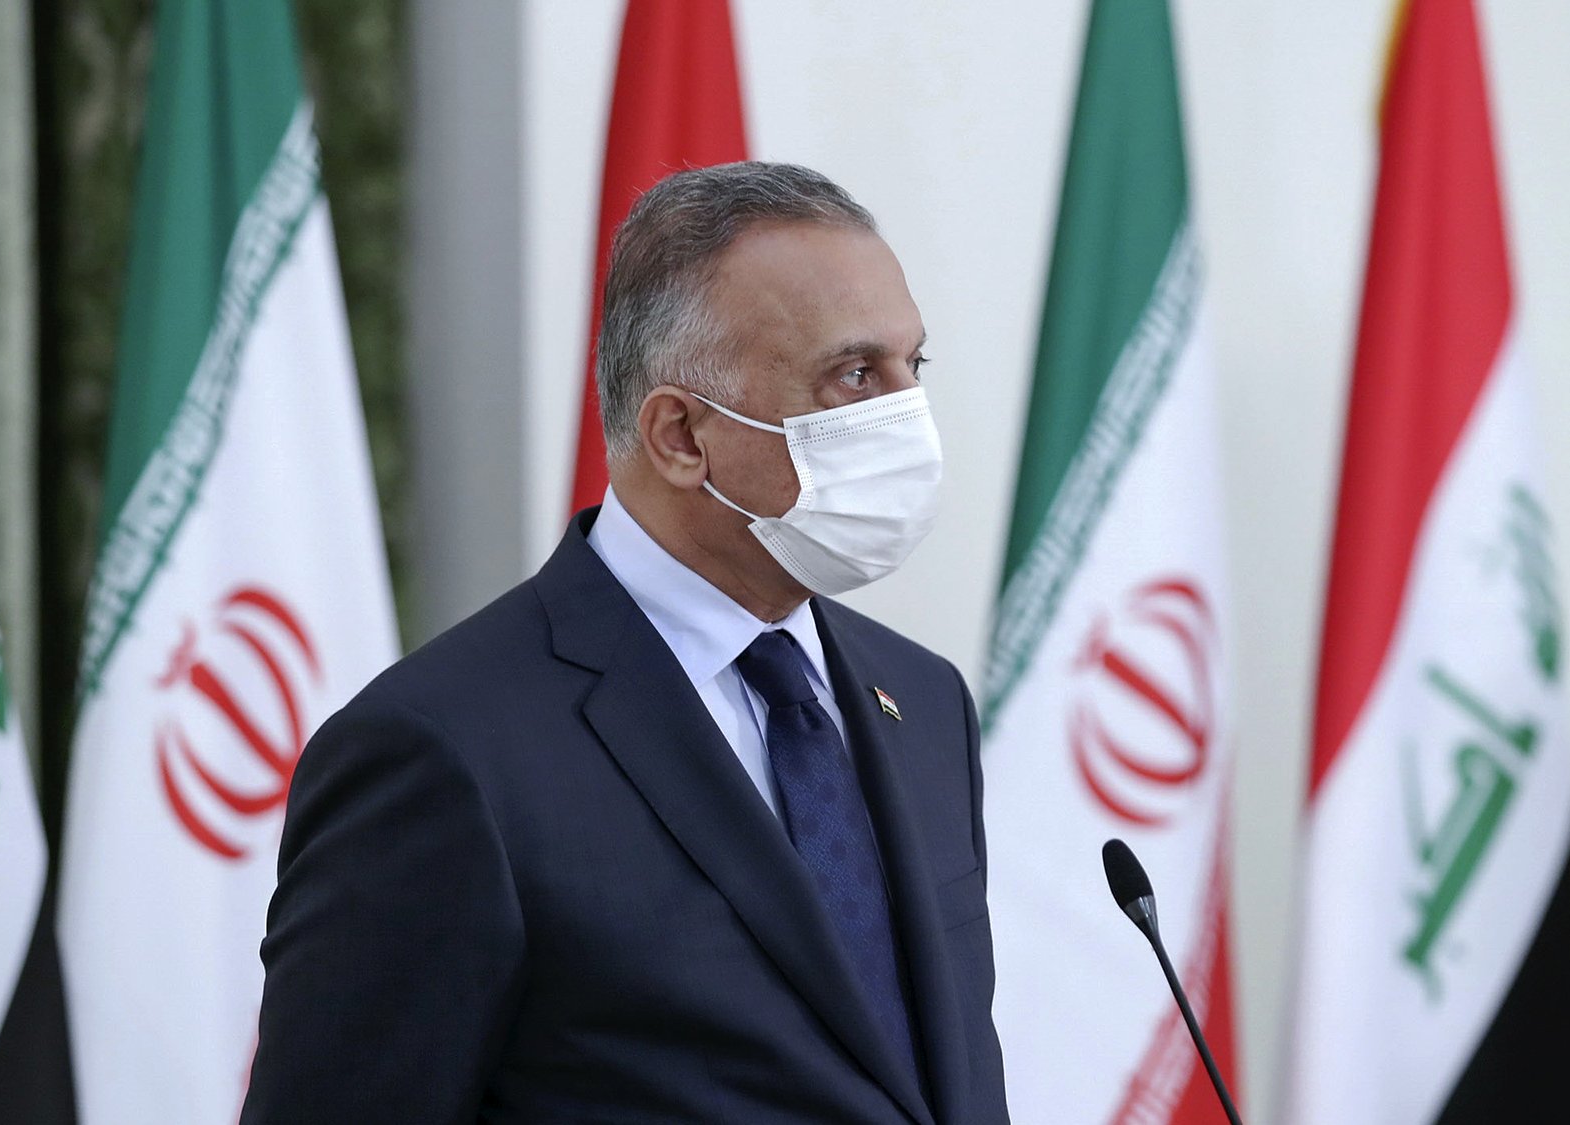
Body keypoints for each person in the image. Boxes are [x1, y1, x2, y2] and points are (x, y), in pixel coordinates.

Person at [241, 162, 1009, 1124]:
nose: (908, 416)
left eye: (913, 367)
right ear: (682, 434)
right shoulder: (445, 751)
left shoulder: (923, 700)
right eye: (855, 374)